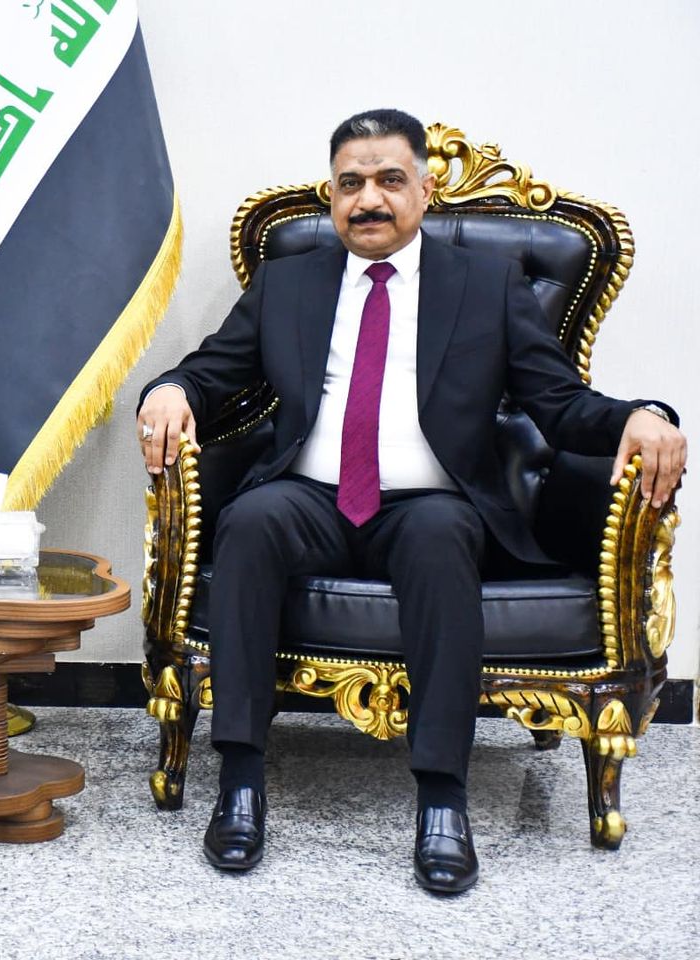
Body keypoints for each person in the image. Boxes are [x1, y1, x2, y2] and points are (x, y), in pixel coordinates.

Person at [136, 108, 686, 894]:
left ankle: (442, 801)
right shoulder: (288, 283)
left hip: (430, 502)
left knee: (437, 536)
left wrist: (643, 416)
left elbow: (560, 403)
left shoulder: (486, 285)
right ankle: (242, 785)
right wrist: (169, 391)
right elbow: (214, 370)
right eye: (351, 183)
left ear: (424, 191)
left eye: (390, 180)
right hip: (310, 497)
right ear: (332, 195)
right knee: (249, 521)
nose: (370, 199)